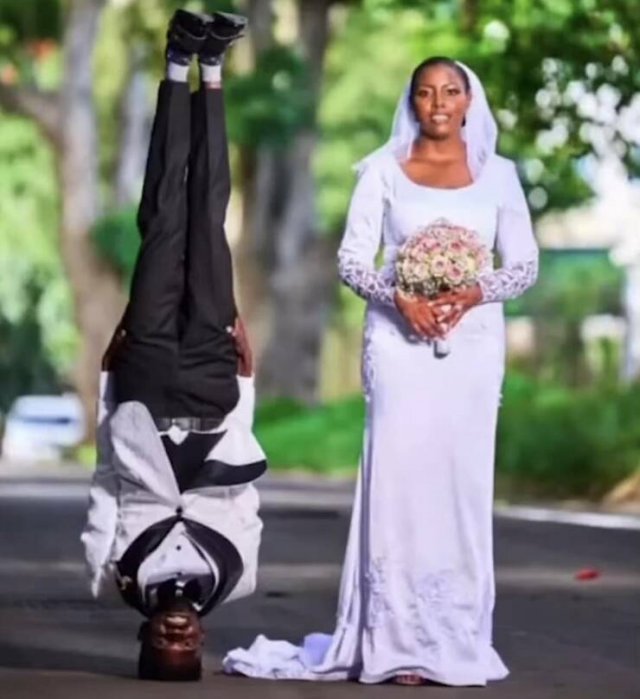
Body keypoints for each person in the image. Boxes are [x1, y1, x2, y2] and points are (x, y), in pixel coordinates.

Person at [223, 57, 539, 686]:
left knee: (459, 486)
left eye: (451, 91)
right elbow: (351, 260)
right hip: (398, 345)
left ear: (469, 102)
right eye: (426, 92)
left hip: (473, 350)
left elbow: (524, 265)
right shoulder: (382, 171)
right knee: (399, 482)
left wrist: (472, 293)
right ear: (412, 101)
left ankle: (454, 637)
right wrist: (402, 298)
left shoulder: (500, 176)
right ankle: (394, 641)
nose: (438, 102)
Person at [81, 9, 267, 682]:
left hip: (148, 385)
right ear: (202, 641)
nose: (178, 636)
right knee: (208, 219)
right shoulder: (238, 576)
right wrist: (246, 384)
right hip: (214, 392)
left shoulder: (112, 572)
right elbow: (244, 489)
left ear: (147, 638)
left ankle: (176, 61)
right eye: (187, 649)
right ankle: (211, 69)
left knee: (164, 219)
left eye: (165, 646)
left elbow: (107, 477)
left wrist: (109, 382)